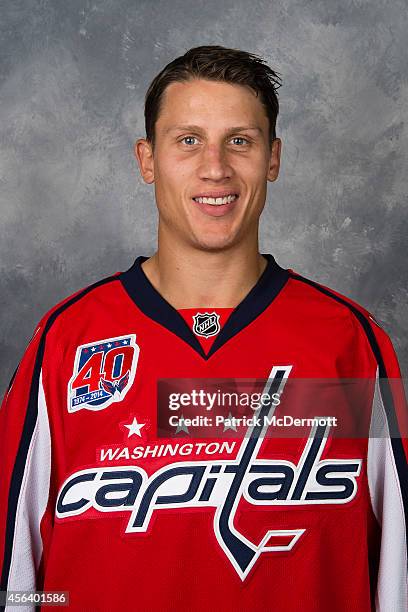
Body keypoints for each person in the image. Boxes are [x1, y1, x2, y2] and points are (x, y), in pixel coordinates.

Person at [0, 45, 406, 612]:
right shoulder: (67, 342)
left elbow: (398, 572)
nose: (215, 167)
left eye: (240, 140)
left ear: (273, 159)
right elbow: (14, 569)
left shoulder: (347, 343)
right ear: (147, 160)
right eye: (188, 140)